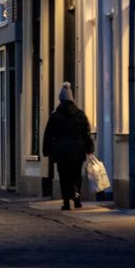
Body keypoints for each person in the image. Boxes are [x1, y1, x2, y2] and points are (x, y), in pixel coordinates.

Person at [42, 82, 93, 210]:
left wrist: (46, 150)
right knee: (76, 177)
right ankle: (77, 197)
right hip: (77, 152)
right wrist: (89, 148)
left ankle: (66, 202)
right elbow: (86, 133)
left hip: (61, 153)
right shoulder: (80, 115)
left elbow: (48, 134)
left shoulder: (55, 116)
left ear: (61, 99)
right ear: (72, 99)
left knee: (64, 178)